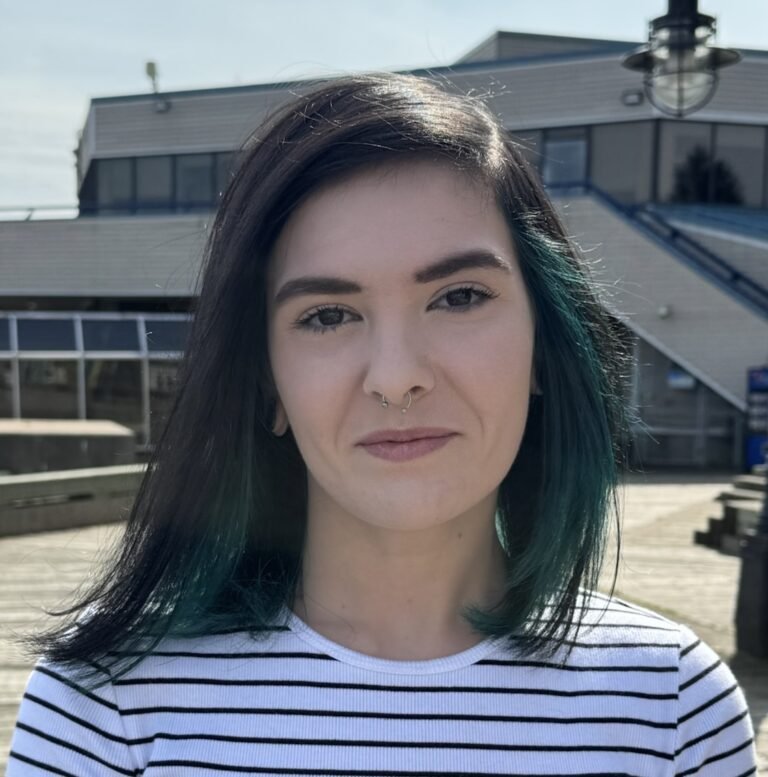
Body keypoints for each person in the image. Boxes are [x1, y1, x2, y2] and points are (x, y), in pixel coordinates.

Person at [7, 73, 757, 776]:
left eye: (460, 297)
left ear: (544, 346)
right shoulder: (105, 702)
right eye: (327, 315)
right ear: (267, 380)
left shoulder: (671, 704)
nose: (396, 376)